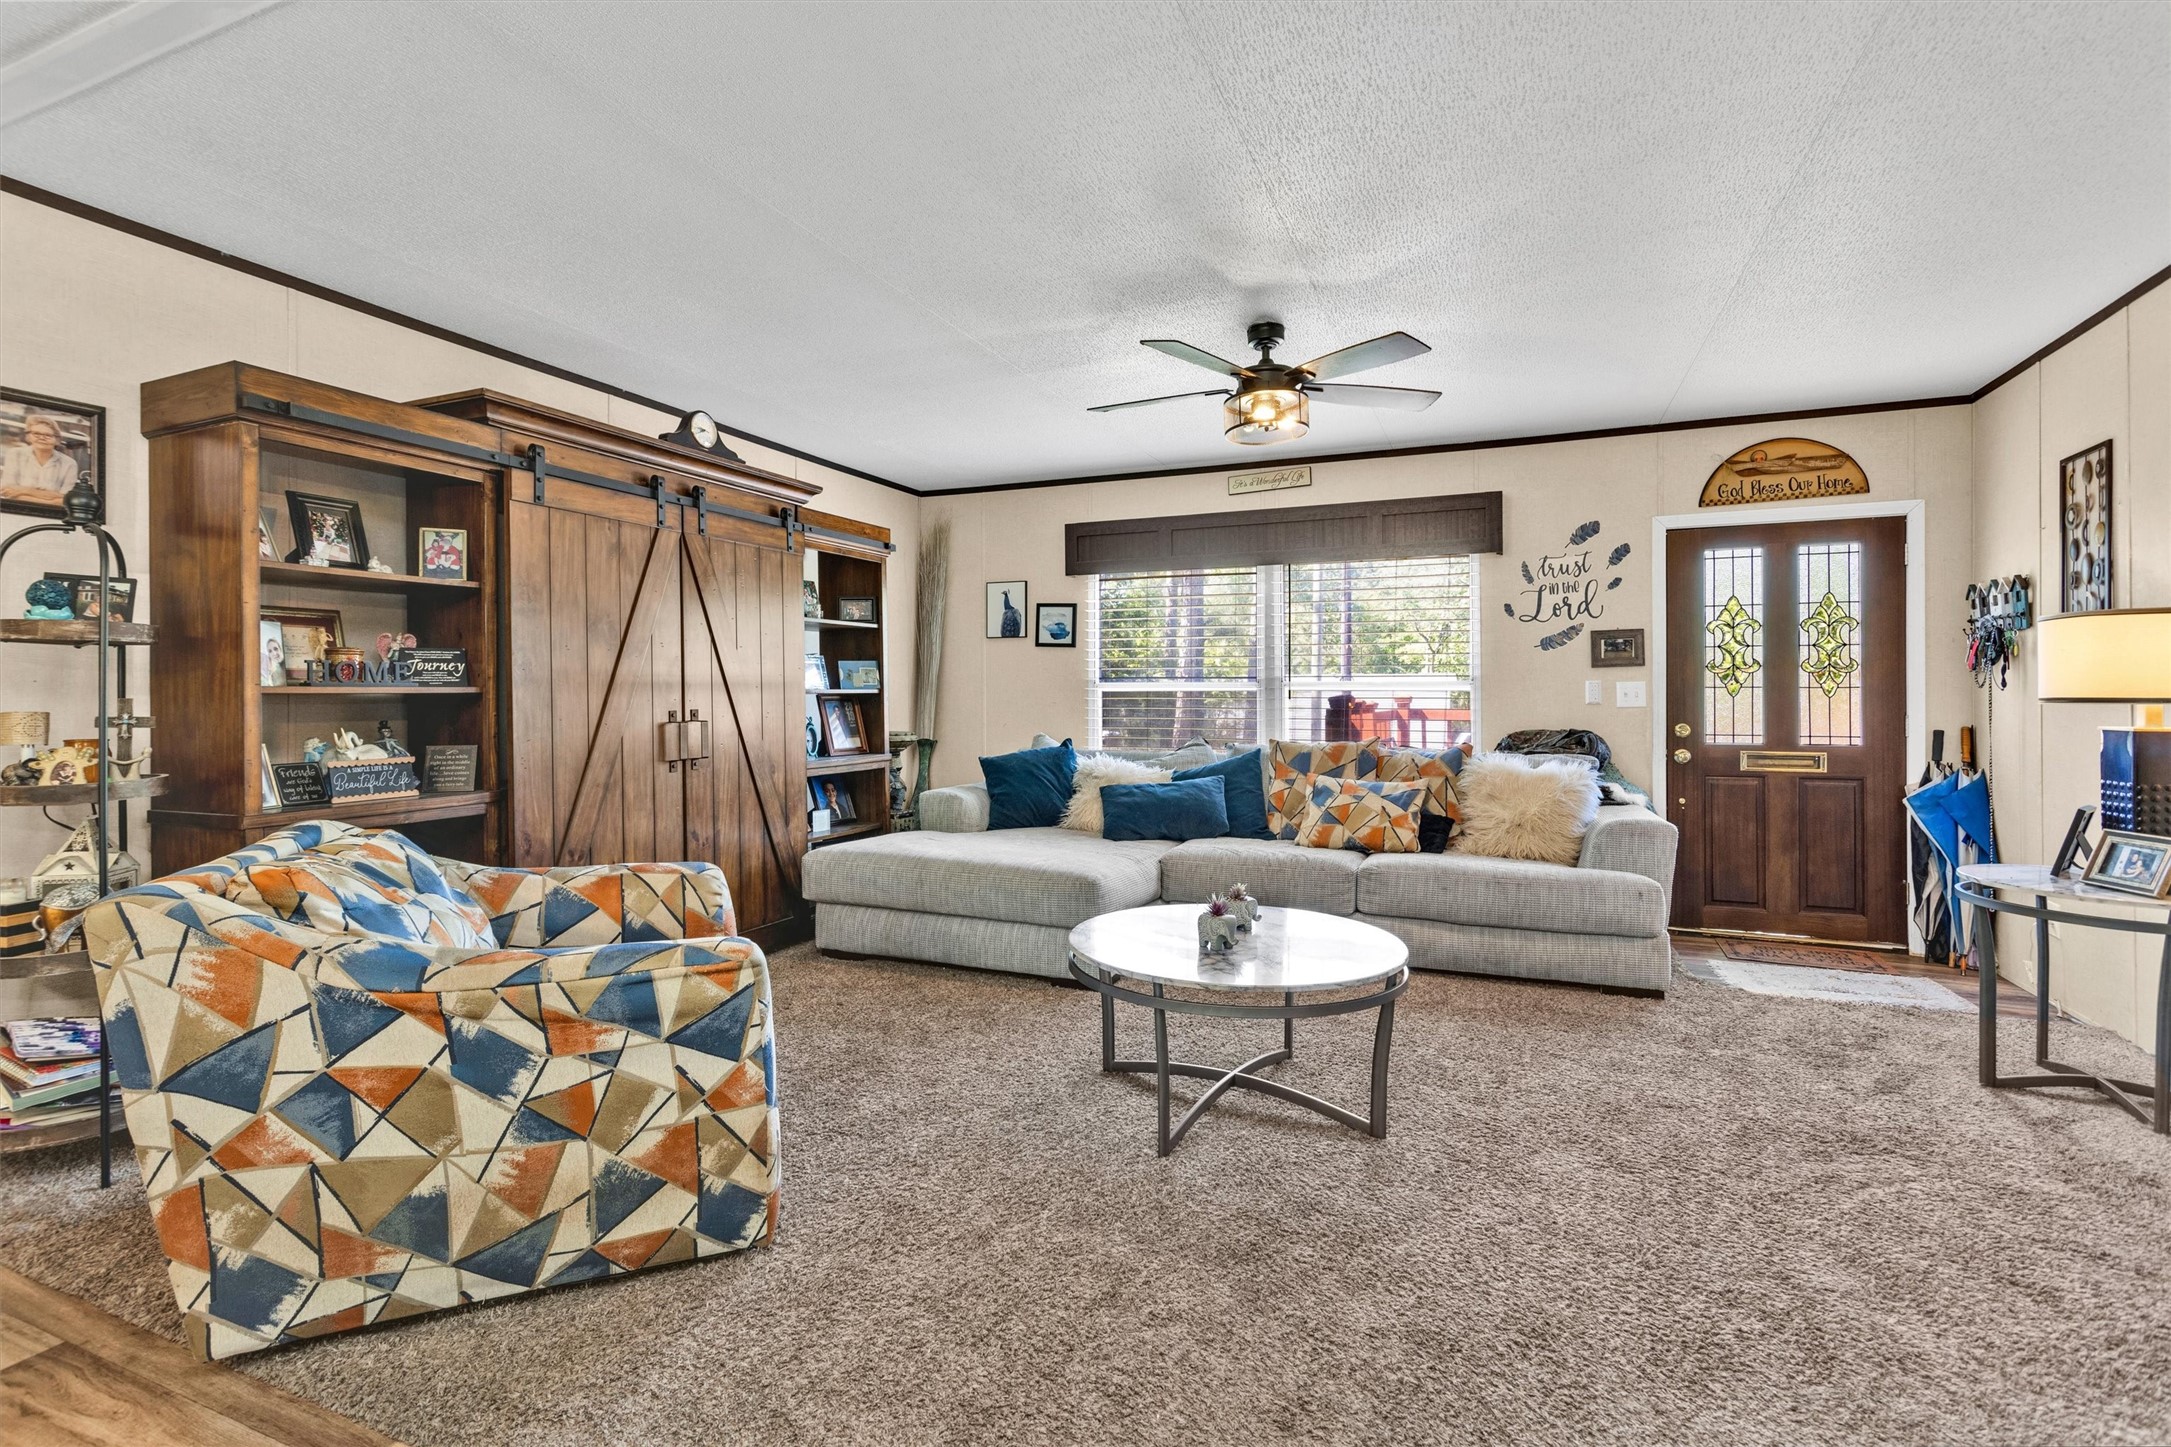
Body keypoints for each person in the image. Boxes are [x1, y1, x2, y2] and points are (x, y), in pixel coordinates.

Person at [0, 414, 80, 508]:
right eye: (36, 434)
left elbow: (66, 499)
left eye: (48, 435)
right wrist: (52, 500)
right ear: (28, 437)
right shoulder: (15, 454)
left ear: (57, 440)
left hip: (51, 513)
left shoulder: (69, 463)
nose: (41, 438)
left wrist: (24, 491)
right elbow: (6, 491)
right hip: (16, 509)